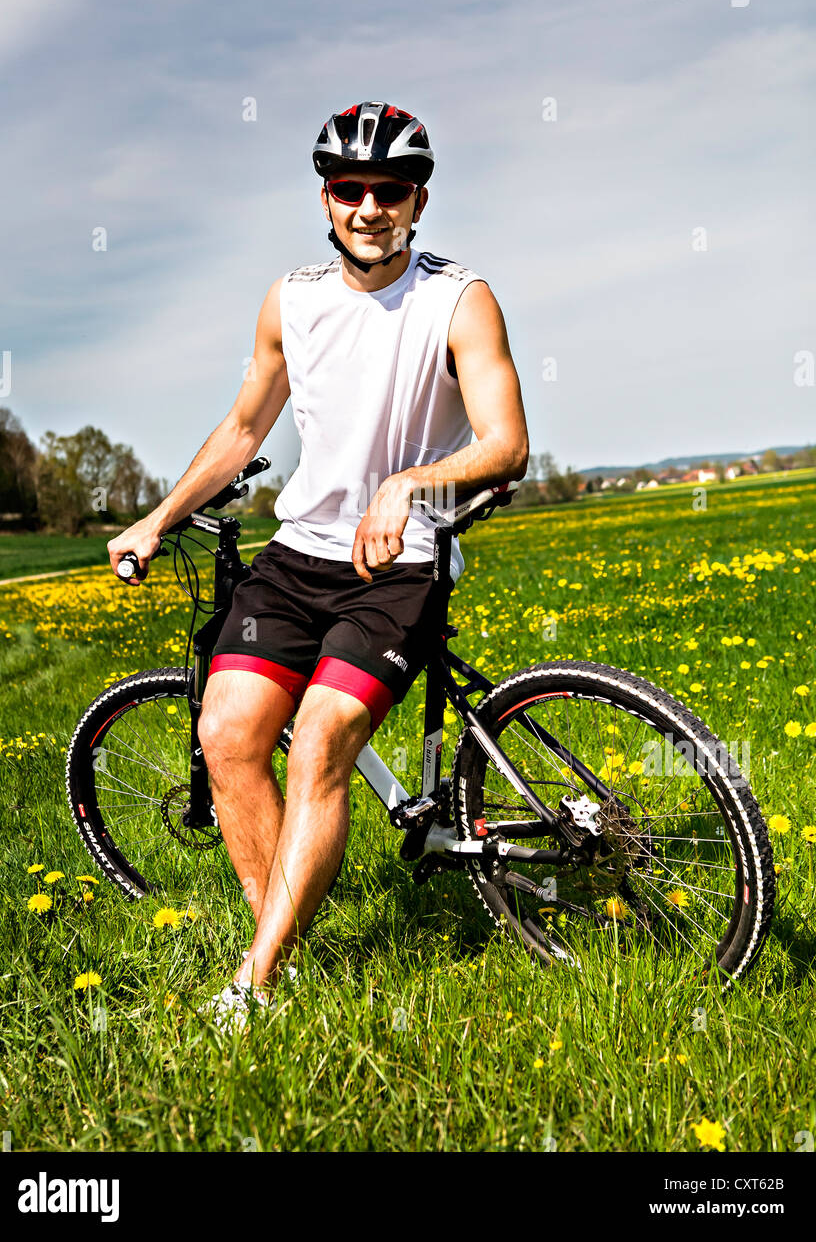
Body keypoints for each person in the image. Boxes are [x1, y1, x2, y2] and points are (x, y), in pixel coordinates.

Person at [108, 101, 529, 1025]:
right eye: (350, 188)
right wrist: (157, 517)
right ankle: (279, 949)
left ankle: (253, 988)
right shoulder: (290, 299)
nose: (370, 206)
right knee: (227, 734)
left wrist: (413, 482)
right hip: (297, 559)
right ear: (326, 196)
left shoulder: (459, 298)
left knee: (324, 746)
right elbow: (245, 426)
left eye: (390, 189)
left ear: (418, 199)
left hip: (402, 563)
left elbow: (507, 445)